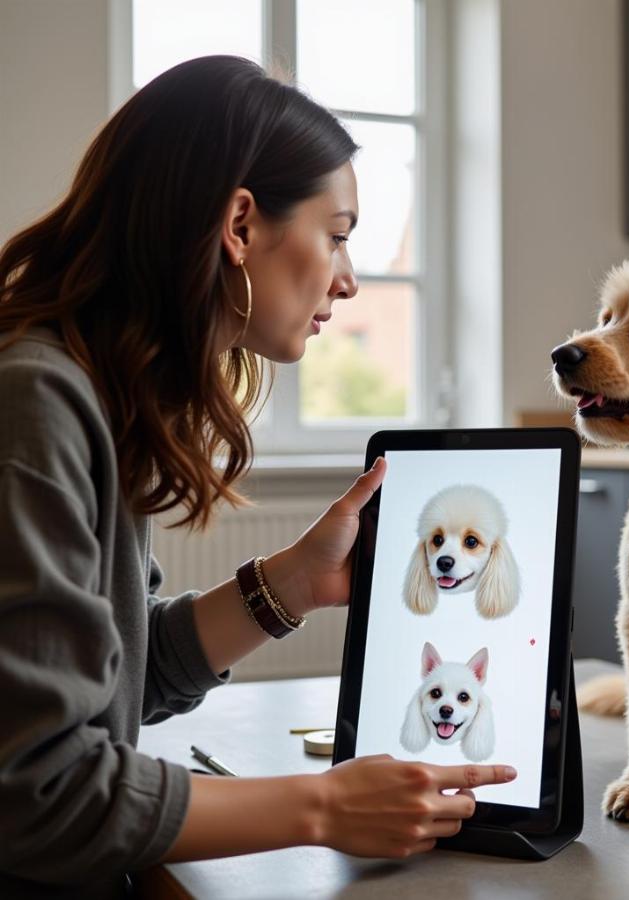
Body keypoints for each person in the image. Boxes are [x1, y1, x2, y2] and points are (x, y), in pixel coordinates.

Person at [0, 55, 516, 899]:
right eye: (339, 233)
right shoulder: (37, 404)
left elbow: (122, 676)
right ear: (240, 224)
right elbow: (40, 791)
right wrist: (320, 806)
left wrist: (289, 586)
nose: (349, 279)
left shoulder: (92, 392)